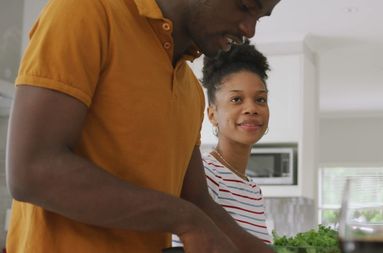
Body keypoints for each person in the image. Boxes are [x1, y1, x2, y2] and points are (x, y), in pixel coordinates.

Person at [5, 0, 280, 252]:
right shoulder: (88, 12)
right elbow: (33, 170)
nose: (249, 30)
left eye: (260, 17)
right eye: (244, 6)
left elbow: (197, 200)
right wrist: (186, 219)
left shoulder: (190, 90)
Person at [173, 40, 272, 246]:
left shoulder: (253, 191)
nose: (251, 108)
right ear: (212, 114)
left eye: (260, 99)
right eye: (236, 100)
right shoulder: (203, 178)